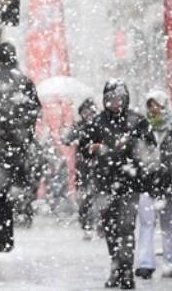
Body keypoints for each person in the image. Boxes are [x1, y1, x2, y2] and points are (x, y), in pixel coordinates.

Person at [80, 80, 154, 289]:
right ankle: (117, 267)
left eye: (119, 99)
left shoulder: (136, 121)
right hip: (104, 183)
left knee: (126, 227)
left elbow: (149, 146)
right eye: (111, 99)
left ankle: (126, 271)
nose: (115, 103)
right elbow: (84, 146)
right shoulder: (97, 122)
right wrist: (93, 148)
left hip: (130, 183)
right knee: (110, 229)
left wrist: (132, 144)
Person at [0, 42, 42, 233]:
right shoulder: (24, 81)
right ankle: (22, 212)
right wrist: (25, 134)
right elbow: (35, 110)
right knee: (20, 180)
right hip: (20, 144)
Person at [134, 91, 172, 279]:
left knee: (169, 227)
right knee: (146, 224)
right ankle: (145, 263)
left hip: (170, 184)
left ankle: (170, 264)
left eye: (158, 104)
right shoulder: (142, 129)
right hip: (147, 184)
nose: (155, 109)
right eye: (151, 105)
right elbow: (137, 154)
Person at [61, 98, 99, 239]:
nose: (88, 115)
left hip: (100, 165)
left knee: (99, 196)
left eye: (90, 112)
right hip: (83, 167)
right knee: (84, 199)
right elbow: (67, 140)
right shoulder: (79, 126)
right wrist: (76, 136)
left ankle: (100, 224)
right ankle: (87, 226)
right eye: (85, 112)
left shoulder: (100, 125)